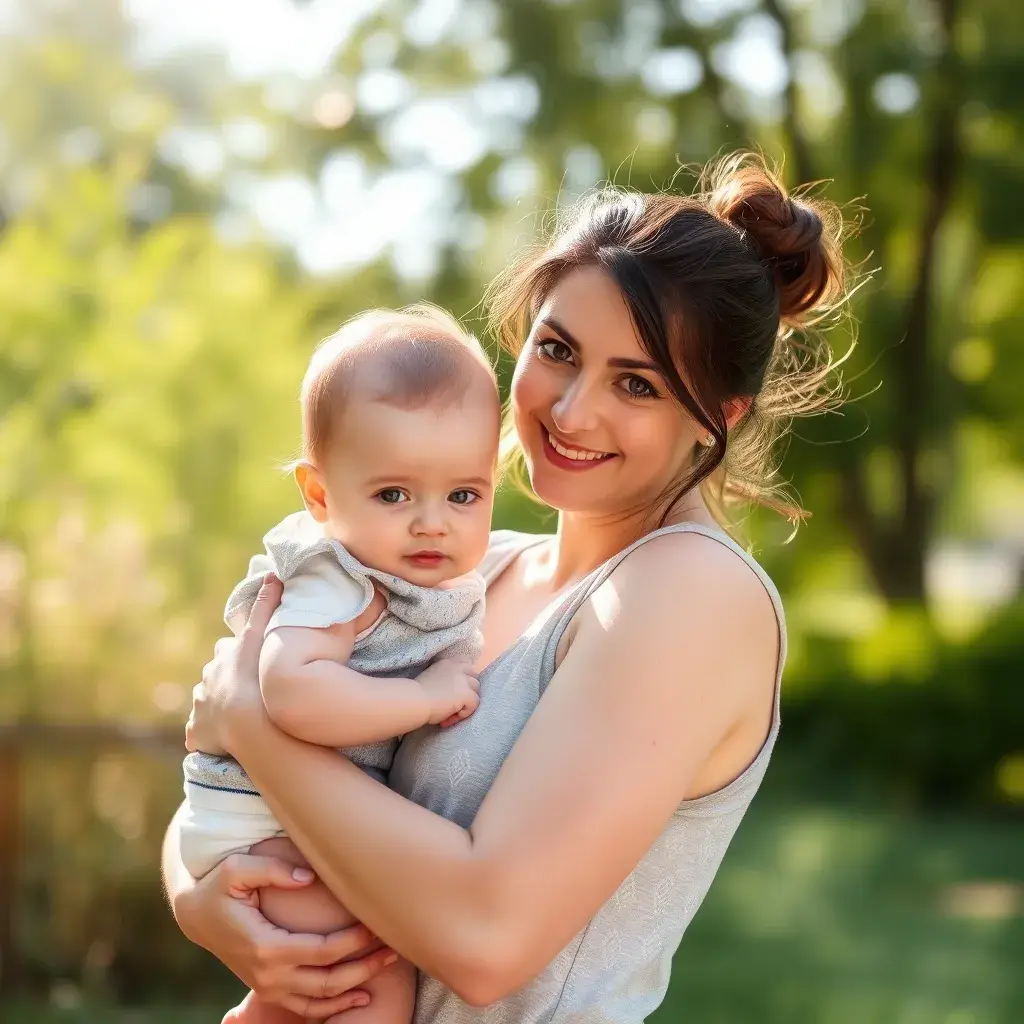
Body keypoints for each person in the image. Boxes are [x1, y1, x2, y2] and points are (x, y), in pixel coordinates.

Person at [164, 151, 851, 1023]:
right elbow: (235, 781)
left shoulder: (690, 593)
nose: (569, 412)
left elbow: (487, 940)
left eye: (635, 384)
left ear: (718, 416)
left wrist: (254, 721)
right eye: (558, 351)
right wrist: (197, 894)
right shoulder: (462, 573)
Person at [178, 306, 501, 1024]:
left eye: (463, 495)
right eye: (393, 494)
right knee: (368, 982)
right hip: (260, 821)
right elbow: (292, 693)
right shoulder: (336, 576)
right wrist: (421, 698)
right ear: (320, 496)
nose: (431, 521)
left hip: (290, 819)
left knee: (331, 986)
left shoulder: (425, 579)